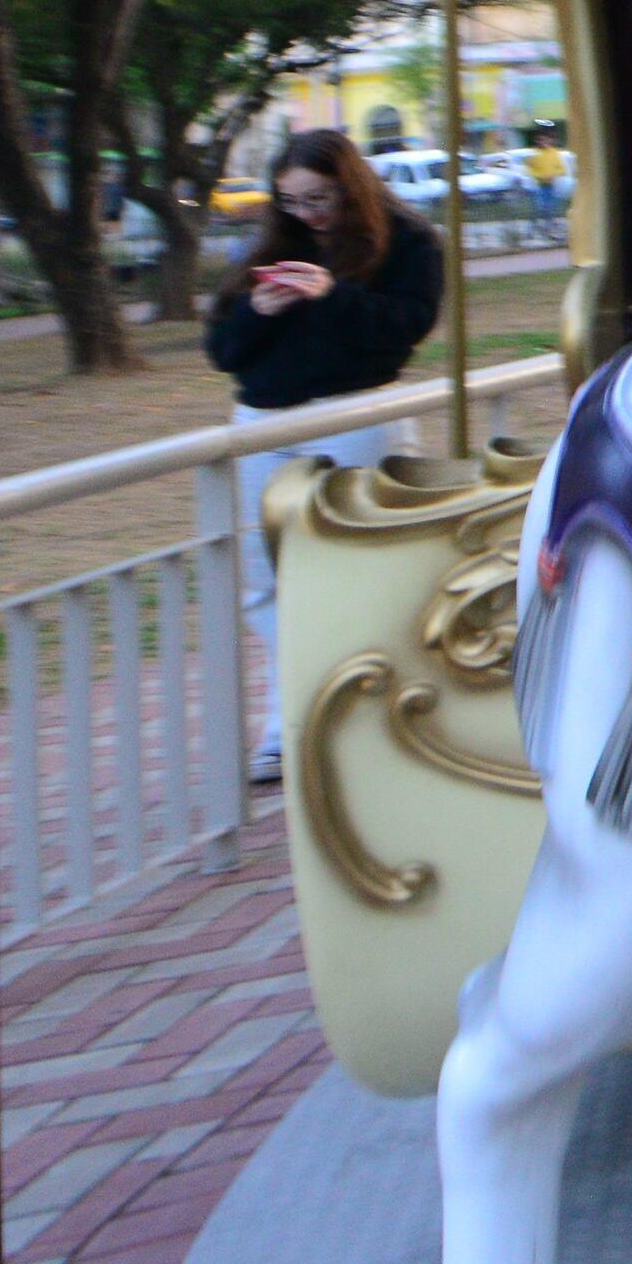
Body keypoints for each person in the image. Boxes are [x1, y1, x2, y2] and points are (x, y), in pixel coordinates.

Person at [206, 131, 441, 783]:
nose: (307, 213)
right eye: (292, 200)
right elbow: (224, 350)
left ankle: (373, 712)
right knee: (266, 577)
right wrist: (257, 308)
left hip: (355, 414)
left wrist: (331, 295)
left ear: (351, 186)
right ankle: (292, 719)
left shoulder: (407, 239)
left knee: (365, 566)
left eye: (321, 198)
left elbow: (405, 328)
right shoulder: (269, 243)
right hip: (263, 418)